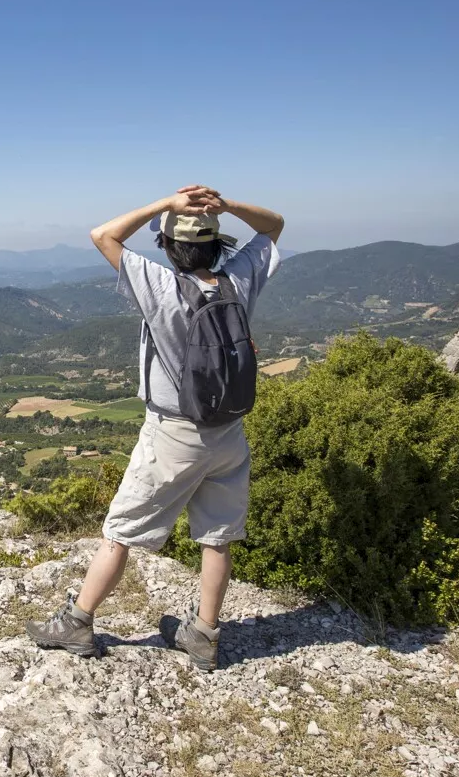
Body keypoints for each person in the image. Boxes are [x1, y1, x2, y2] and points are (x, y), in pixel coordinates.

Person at [25, 184, 284, 670]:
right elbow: (274, 226)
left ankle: (77, 622)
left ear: (167, 245)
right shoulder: (238, 282)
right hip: (229, 433)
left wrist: (165, 205)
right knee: (218, 536)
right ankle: (203, 634)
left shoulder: (163, 286)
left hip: (174, 434)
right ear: (218, 243)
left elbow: (102, 235)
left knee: (119, 531)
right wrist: (224, 207)